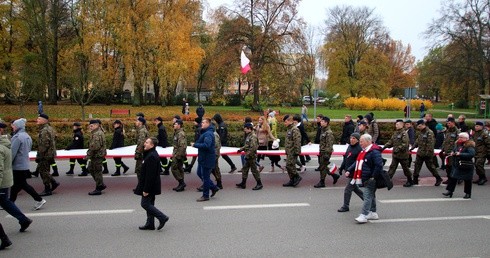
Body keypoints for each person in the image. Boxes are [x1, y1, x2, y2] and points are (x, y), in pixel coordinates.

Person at [0, 123, 32, 232]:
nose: (12, 127)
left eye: (14, 125)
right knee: (6, 202)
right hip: (9, 176)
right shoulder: (9, 141)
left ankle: (4, 238)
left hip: (4, 178)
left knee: (7, 200)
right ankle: (23, 220)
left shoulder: (5, 145)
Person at [9, 118, 46, 210]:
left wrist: (7, 163)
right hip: (24, 164)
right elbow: (28, 150)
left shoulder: (17, 137)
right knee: (17, 185)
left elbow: (12, 153)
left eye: (13, 126)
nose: (12, 127)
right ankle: (10, 203)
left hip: (17, 165)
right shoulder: (27, 136)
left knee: (22, 184)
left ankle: (39, 199)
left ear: (17, 126)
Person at [134, 137, 169, 230]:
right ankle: (150, 223)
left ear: (152, 145)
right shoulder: (149, 154)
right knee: (150, 204)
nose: (144, 144)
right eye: (145, 142)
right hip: (150, 185)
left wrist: (146, 189)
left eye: (147, 142)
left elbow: (150, 176)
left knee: (145, 204)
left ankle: (162, 217)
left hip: (150, 186)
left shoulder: (152, 156)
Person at [349, 134, 383, 224]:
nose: (360, 143)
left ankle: (363, 215)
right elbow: (358, 162)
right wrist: (349, 170)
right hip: (365, 177)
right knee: (371, 195)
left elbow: (379, 165)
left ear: (368, 141)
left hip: (371, 178)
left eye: (361, 141)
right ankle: (373, 212)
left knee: (367, 196)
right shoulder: (364, 151)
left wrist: (373, 177)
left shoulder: (374, 151)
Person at [192, 118, 219, 202]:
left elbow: (207, 145)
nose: (201, 124)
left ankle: (205, 195)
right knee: (199, 173)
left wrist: (195, 145)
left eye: (203, 123)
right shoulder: (205, 132)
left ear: (208, 123)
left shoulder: (208, 134)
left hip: (207, 158)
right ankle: (214, 187)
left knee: (206, 177)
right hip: (203, 157)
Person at [442, 132, 475, 199]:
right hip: (457, 164)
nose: (459, 138)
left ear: (466, 138)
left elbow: (471, 154)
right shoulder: (458, 144)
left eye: (461, 137)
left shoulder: (469, 145)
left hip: (466, 164)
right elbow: (455, 150)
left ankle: (468, 193)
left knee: (467, 180)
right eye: (459, 137)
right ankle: (450, 191)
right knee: (453, 178)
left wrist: (460, 154)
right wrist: (453, 153)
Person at [411, 120, 443, 186]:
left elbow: (431, 144)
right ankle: (415, 179)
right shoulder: (421, 132)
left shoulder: (429, 132)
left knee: (431, 167)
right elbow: (418, 140)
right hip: (420, 152)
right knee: (417, 166)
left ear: (423, 125)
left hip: (427, 154)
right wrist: (413, 147)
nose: (418, 127)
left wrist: (428, 153)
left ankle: (438, 178)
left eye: (419, 126)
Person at [381, 120, 413, 187]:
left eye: (398, 124)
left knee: (405, 168)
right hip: (396, 155)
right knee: (392, 167)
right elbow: (391, 142)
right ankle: (387, 180)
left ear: (401, 125)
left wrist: (398, 149)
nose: (396, 126)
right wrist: (384, 147)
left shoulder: (404, 133)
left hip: (403, 155)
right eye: (396, 124)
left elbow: (405, 144)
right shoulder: (396, 133)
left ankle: (410, 180)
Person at [337, 133, 363, 212]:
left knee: (348, 189)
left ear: (358, 140)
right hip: (348, 171)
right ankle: (369, 200)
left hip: (354, 172)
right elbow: (346, 158)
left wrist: (349, 170)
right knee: (355, 188)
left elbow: (357, 162)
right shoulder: (349, 147)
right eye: (351, 138)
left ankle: (345, 206)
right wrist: (341, 168)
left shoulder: (359, 149)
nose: (351, 140)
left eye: (354, 138)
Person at [35, 114, 60, 196]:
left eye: (39, 119)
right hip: (49, 153)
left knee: (43, 171)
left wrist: (39, 155)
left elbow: (44, 145)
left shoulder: (44, 130)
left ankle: (47, 189)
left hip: (45, 154)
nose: (37, 120)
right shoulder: (50, 128)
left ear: (44, 120)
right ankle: (53, 183)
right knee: (46, 170)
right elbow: (55, 138)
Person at [314, 116, 340, 188]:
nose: (321, 122)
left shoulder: (328, 133)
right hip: (322, 151)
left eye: (322, 121)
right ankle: (334, 175)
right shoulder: (323, 130)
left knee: (322, 167)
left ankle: (322, 182)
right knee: (323, 166)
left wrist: (326, 154)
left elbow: (329, 144)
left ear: (326, 123)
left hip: (325, 152)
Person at [236, 123, 262, 190]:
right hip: (248, 156)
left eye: (245, 129)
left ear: (249, 129)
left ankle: (259, 184)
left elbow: (253, 148)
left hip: (251, 156)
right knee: (245, 169)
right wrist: (241, 149)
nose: (245, 130)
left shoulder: (253, 136)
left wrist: (247, 155)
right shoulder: (249, 135)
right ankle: (243, 183)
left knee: (254, 170)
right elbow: (247, 145)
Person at [85, 120, 107, 196]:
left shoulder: (97, 134)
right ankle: (101, 184)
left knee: (97, 172)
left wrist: (87, 156)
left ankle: (98, 188)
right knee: (91, 169)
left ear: (96, 125)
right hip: (96, 155)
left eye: (92, 126)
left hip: (97, 155)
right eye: (90, 126)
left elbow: (94, 147)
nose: (90, 127)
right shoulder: (96, 133)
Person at [282, 115, 302, 187]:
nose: (285, 123)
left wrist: (297, 152)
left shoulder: (294, 129)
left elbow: (297, 141)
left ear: (290, 121)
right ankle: (292, 180)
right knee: (289, 166)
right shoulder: (289, 129)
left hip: (293, 151)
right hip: (289, 151)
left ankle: (297, 176)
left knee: (289, 165)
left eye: (286, 122)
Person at [441, 117, 460, 184]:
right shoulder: (448, 131)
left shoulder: (457, 132)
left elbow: (457, 143)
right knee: (448, 167)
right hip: (446, 151)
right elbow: (445, 141)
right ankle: (449, 178)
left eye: (449, 123)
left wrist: (454, 151)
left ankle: (454, 179)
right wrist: (442, 149)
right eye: (447, 123)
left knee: (452, 166)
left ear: (453, 123)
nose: (448, 124)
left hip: (452, 152)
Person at [471, 121, 490, 185]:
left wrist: (488, 153)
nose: (476, 127)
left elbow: (488, 144)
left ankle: (483, 178)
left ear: (481, 127)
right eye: (475, 126)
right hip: (476, 152)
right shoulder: (475, 134)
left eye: (477, 126)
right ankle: (480, 178)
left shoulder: (484, 134)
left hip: (482, 153)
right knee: (476, 165)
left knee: (479, 164)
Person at [171, 119, 187, 192]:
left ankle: (181, 183)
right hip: (177, 153)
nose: (174, 125)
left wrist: (178, 156)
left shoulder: (181, 134)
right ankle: (181, 185)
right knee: (180, 169)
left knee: (174, 168)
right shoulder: (177, 133)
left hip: (179, 154)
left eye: (175, 124)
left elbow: (182, 146)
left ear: (179, 125)